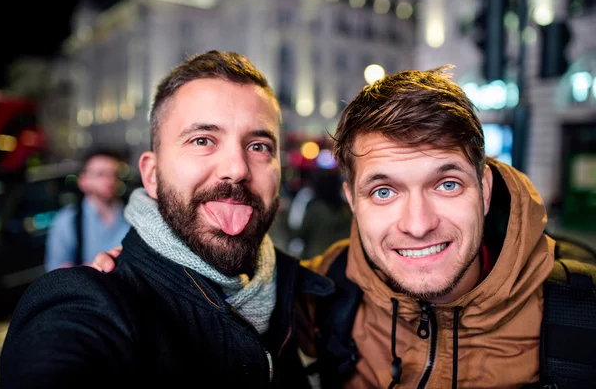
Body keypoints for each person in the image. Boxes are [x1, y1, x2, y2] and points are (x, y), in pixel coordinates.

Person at [89, 66, 596, 388]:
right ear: (352, 199)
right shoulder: (321, 292)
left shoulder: (581, 313)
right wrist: (141, 279)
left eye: (446, 185)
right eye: (384, 191)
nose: (418, 225)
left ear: (484, 191)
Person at [0, 51, 332, 388]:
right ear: (153, 175)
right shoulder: (87, 303)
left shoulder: (307, 294)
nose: (237, 169)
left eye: (259, 146)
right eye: (202, 140)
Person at [44, 148, 130, 271]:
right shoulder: (67, 221)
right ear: (83, 181)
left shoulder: (133, 215)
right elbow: (55, 273)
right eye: (101, 174)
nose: (110, 180)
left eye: (114, 174)